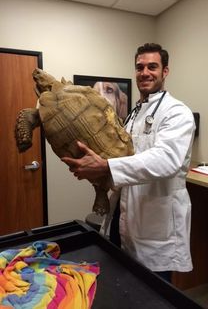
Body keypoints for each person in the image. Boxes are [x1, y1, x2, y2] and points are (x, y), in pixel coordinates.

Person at [61, 43, 195, 283]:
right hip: (123, 217)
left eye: (152, 67)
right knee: (124, 287)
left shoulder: (177, 112)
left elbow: (167, 160)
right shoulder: (134, 115)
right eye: (140, 67)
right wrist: (94, 163)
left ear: (165, 71)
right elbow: (122, 156)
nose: (145, 72)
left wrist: (106, 167)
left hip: (155, 226)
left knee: (153, 294)